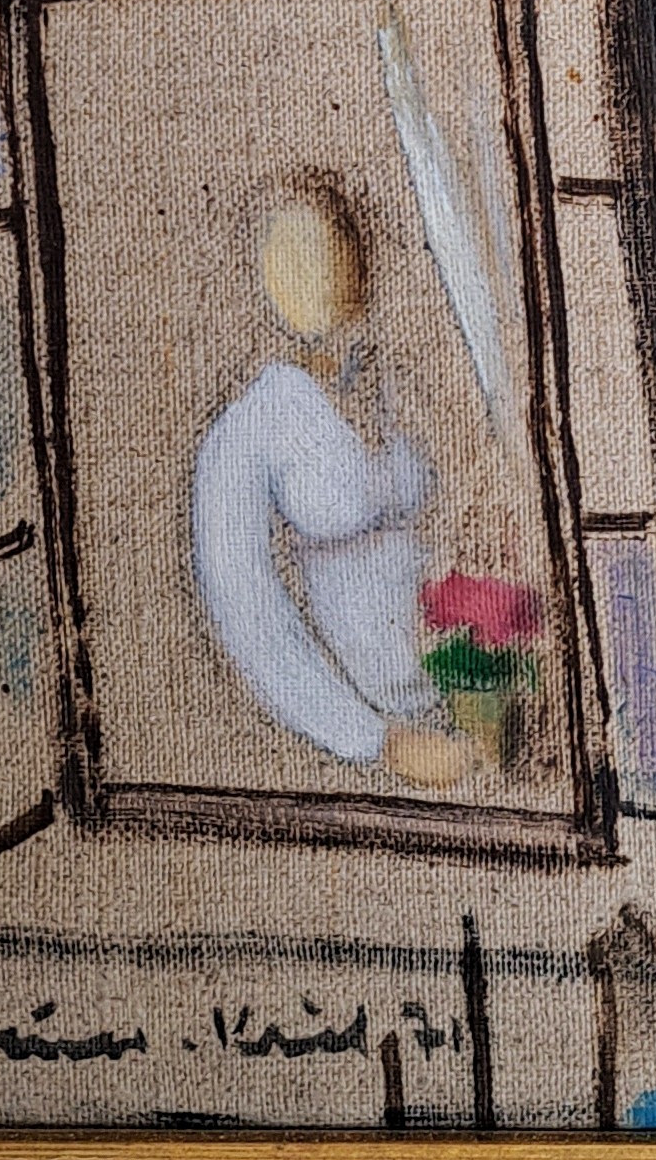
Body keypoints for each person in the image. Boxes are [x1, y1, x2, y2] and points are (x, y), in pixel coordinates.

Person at [187, 176, 468, 788]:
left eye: (333, 245)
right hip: (383, 732)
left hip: (471, 684)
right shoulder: (249, 431)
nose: (320, 272)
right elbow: (252, 617)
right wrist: (376, 740)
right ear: (268, 274)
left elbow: (467, 509)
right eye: (293, 253)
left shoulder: (396, 383)